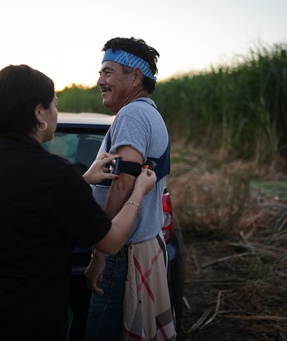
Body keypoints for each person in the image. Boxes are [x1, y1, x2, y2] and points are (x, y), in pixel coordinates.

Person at [0, 64, 157, 341]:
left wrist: (81, 180)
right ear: (39, 113)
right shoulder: (56, 175)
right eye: (54, 105)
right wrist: (138, 192)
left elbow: (24, 199)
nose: (55, 113)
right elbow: (111, 241)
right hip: (28, 322)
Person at [84, 38, 176, 340]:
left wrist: (101, 251)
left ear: (135, 76)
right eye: (101, 73)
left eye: (108, 72)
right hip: (131, 249)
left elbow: (123, 183)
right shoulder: (148, 113)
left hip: (119, 253)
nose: (100, 81)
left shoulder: (133, 115)